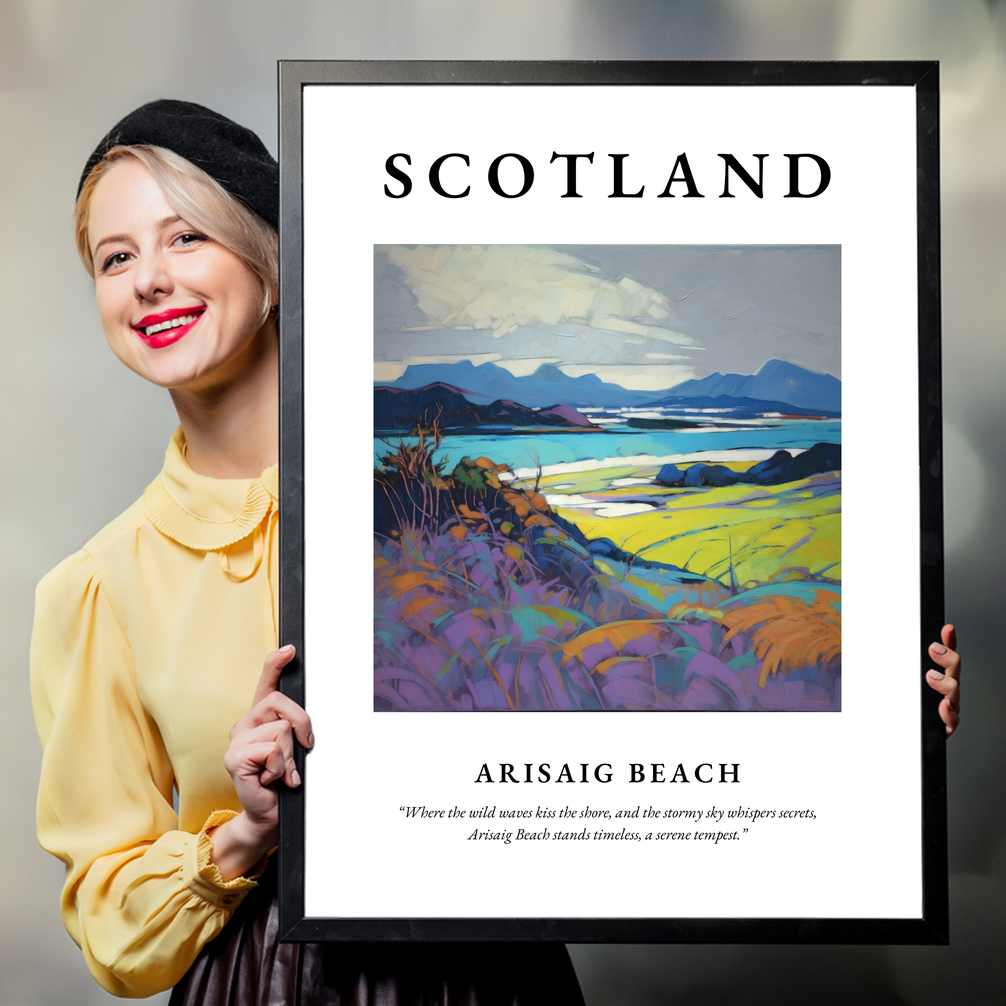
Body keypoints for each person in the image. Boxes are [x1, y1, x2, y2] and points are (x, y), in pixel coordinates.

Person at [30, 100, 585, 1004]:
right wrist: (245, 832)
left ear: (273, 264)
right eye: (116, 257)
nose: (148, 281)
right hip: (264, 982)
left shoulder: (434, 502)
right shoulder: (97, 587)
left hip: (494, 974)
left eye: (185, 239)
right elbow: (110, 923)